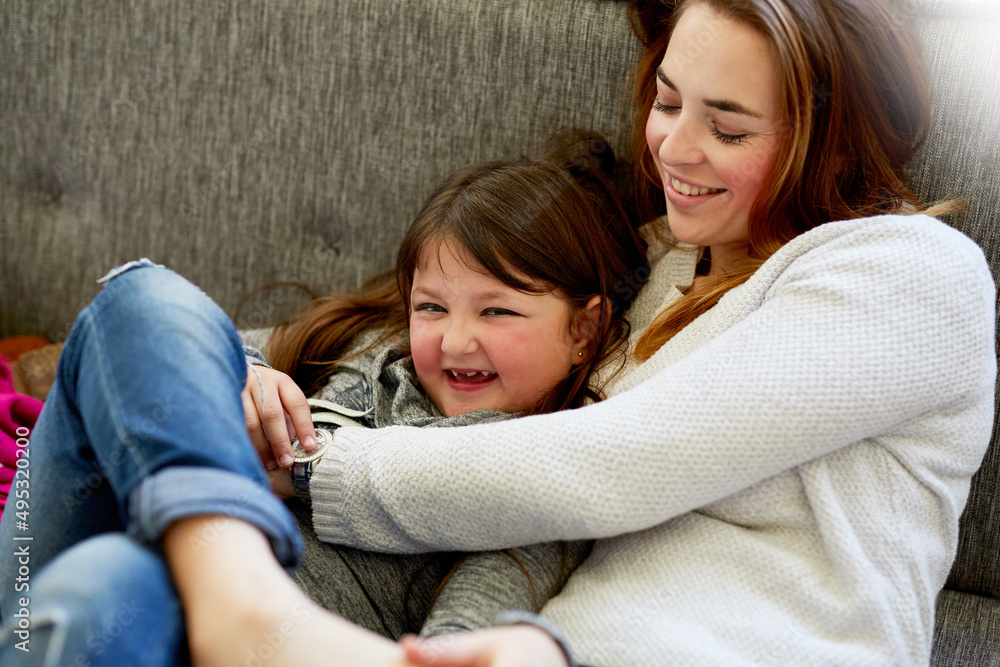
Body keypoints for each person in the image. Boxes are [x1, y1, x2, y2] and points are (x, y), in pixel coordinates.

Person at [315, 0, 996, 665]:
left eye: (728, 130)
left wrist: (312, 464)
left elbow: (612, 466)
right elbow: (406, 328)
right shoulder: (646, 257)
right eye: (668, 103)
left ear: (835, 141)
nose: (673, 147)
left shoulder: (914, 273)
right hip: (534, 636)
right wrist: (251, 382)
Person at [0, 133, 648, 666]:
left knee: (105, 583)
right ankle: (237, 598)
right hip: (86, 553)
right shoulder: (374, 347)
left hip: (155, 623)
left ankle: (249, 614)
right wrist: (245, 376)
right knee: (142, 293)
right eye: (431, 306)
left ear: (584, 328)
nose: (454, 339)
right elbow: (174, 345)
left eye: (497, 309)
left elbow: (467, 633)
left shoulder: (539, 487)